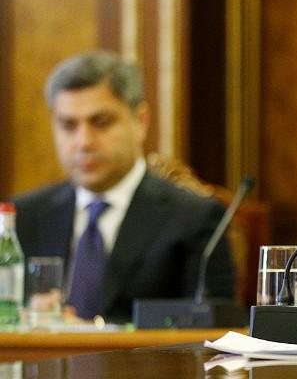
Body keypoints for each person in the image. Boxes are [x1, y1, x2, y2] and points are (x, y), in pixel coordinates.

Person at [14, 51, 235, 323]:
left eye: (100, 122)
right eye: (68, 125)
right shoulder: (21, 216)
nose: (83, 142)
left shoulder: (195, 219)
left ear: (140, 121)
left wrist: (92, 332)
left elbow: (211, 325)